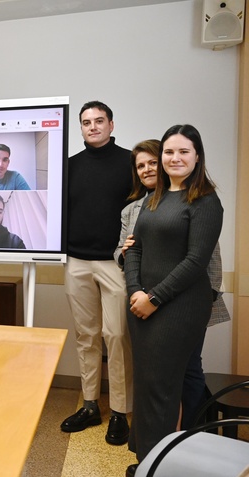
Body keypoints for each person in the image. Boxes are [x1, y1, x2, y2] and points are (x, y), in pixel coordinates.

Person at [123, 125, 223, 474]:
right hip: (141, 305)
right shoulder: (155, 198)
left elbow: (196, 262)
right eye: (169, 152)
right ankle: (147, 461)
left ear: (197, 156)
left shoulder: (206, 201)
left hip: (178, 308)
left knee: (164, 389)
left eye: (183, 151)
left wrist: (154, 297)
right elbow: (133, 248)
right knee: (148, 385)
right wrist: (135, 291)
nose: (174, 158)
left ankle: (160, 465)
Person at [61, 101, 133, 447]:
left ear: (111, 124)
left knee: (116, 335)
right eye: (86, 122)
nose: (92, 127)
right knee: (86, 336)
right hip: (76, 261)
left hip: (113, 264)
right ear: (81, 127)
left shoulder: (130, 163)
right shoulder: (70, 166)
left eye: (99, 121)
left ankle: (119, 410)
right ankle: (90, 405)